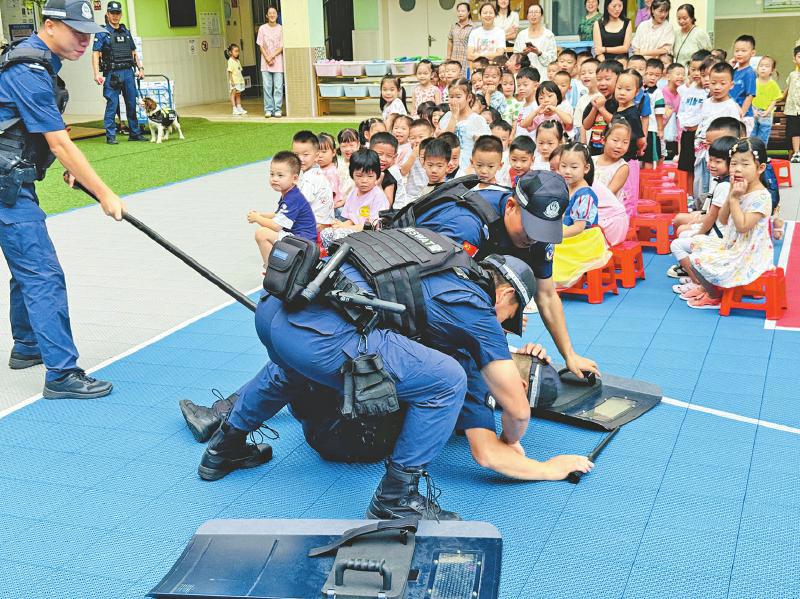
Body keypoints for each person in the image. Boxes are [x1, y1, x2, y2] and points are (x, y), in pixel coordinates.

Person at [0, 0, 124, 398]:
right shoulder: (29, 69)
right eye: (76, 31)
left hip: (12, 181)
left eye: (89, 33)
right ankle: (61, 374)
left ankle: (28, 346)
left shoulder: (37, 65)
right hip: (7, 190)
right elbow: (59, 140)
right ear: (50, 26)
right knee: (42, 274)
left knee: (29, 268)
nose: (85, 40)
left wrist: (58, 162)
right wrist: (104, 193)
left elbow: (27, 130)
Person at [414, 169, 600, 378]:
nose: (534, 239)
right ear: (511, 206)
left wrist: (569, 354)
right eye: (531, 228)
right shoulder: (465, 223)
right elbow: (435, 293)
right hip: (417, 297)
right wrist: (493, 324)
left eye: (543, 231)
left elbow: (546, 295)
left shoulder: (537, 235)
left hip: (462, 297)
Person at [682, 138, 774, 309]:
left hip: (749, 253)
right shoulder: (737, 188)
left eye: (745, 164)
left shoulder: (762, 197)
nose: (737, 169)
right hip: (733, 244)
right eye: (734, 164)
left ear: (760, 168)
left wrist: (733, 198)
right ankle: (709, 287)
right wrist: (732, 193)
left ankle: (713, 295)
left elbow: (743, 226)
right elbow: (723, 219)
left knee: (697, 259)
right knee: (697, 243)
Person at [553, 143, 611, 288]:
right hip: (569, 234)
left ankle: (548, 287)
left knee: (548, 248)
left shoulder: (584, 195)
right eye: (563, 166)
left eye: (574, 167)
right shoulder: (565, 187)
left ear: (586, 168)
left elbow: (579, 227)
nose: (567, 171)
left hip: (583, 239)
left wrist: (555, 235)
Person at [91, 1, 145, 144]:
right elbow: (95, 53)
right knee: (112, 104)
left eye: (117, 13)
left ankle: (135, 133)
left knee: (131, 103)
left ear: (120, 14)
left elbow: (133, 52)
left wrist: (140, 68)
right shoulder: (102, 32)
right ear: (107, 14)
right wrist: (96, 73)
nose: (115, 16)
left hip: (128, 71)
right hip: (112, 73)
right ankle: (111, 136)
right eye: (112, 13)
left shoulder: (126, 32)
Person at [249, 152, 317, 264]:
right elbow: (278, 215)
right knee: (265, 231)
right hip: (297, 238)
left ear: (294, 178)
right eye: (272, 174)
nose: (275, 179)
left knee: (262, 233)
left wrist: (257, 218)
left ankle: (272, 270)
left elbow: (276, 226)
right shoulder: (289, 194)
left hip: (304, 243)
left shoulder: (293, 199)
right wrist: (261, 214)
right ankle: (276, 267)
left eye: (280, 175)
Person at [320, 149, 388, 248]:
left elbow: (371, 226)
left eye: (370, 176)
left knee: (337, 235)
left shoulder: (378, 196)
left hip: (368, 236)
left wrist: (344, 227)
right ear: (352, 174)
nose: (364, 181)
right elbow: (352, 219)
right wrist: (341, 225)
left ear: (377, 176)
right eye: (359, 176)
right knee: (326, 233)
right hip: (353, 230)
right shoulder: (354, 192)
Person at [438, 79, 492, 170]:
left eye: (458, 97)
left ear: (469, 97)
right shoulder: (447, 116)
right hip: (447, 165)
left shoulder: (477, 120)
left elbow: (484, 147)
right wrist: (454, 117)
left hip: (468, 167)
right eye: (451, 97)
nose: (454, 101)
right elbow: (444, 142)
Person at [593, 117, 633, 233]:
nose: (619, 146)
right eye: (615, 140)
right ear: (603, 140)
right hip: (589, 210)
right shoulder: (591, 161)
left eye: (625, 142)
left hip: (609, 217)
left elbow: (607, 195)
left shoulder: (622, 167)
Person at [293, 130, 335, 231]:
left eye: (305, 155)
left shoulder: (310, 179)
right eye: (296, 154)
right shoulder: (315, 172)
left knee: (263, 234)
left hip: (315, 229)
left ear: (316, 156)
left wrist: (261, 218)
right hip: (322, 224)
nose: (300, 159)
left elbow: (296, 208)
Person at [512, 4, 557, 81]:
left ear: (542, 16)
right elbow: (515, 58)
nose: (533, 15)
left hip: (544, 75)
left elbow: (552, 59)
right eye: (531, 12)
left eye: (536, 12)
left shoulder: (548, 35)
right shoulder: (521, 35)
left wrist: (539, 52)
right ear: (527, 16)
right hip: (525, 76)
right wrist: (523, 54)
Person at [257, 6, 284, 118]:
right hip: (265, 62)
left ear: (277, 15)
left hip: (278, 62)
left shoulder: (281, 28)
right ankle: (268, 109)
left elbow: (282, 46)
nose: (272, 15)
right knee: (267, 87)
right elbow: (260, 45)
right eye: (270, 13)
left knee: (278, 87)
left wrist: (272, 56)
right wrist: (267, 57)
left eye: (274, 13)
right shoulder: (262, 28)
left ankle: (277, 109)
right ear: (267, 16)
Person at [752, 56, 782, 147]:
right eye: (761, 66)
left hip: (766, 113)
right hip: (754, 111)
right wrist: (753, 111)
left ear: (772, 70)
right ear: (757, 69)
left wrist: (768, 111)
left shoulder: (773, 84)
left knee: (763, 136)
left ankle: (761, 155)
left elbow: (774, 99)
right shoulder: (754, 82)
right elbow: (749, 97)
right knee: (751, 135)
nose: (763, 68)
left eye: (767, 66)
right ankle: (751, 154)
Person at [731, 35, 757, 134]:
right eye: (737, 51)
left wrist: (742, 114)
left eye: (743, 51)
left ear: (752, 53)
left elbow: (750, 95)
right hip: (732, 113)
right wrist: (730, 67)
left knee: (742, 143)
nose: (739, 54)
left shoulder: (749, 73)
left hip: (744, 116)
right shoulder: (734, 71)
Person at [447, 2, 474, 75]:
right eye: (458, 11)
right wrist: (448, 56)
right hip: (454, 59)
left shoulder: (473, 27)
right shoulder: (454, 26)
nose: (460, 13)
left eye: (463, 11)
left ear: (468, 12)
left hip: (466, 60)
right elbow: (450, 40)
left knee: (465, 81)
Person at [785, 45, 800, 163]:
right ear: (794, 59)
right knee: (795, 131)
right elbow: (787, 90)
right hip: (792, 109)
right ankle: (796, 153)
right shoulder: (792, 75)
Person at [225, 44, 247, 116]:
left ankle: (239, 107)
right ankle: (234, 108)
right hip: (234, 81)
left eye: (238, 51)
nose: (237, 53)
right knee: (233, 94)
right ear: (231, 52)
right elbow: (230, 72)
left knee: (238, 94)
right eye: (235, 51)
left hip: (239, 81)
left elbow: (239, 71)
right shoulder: (230, 61)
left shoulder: (237, 61)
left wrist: (242, 80)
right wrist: (232, 81)